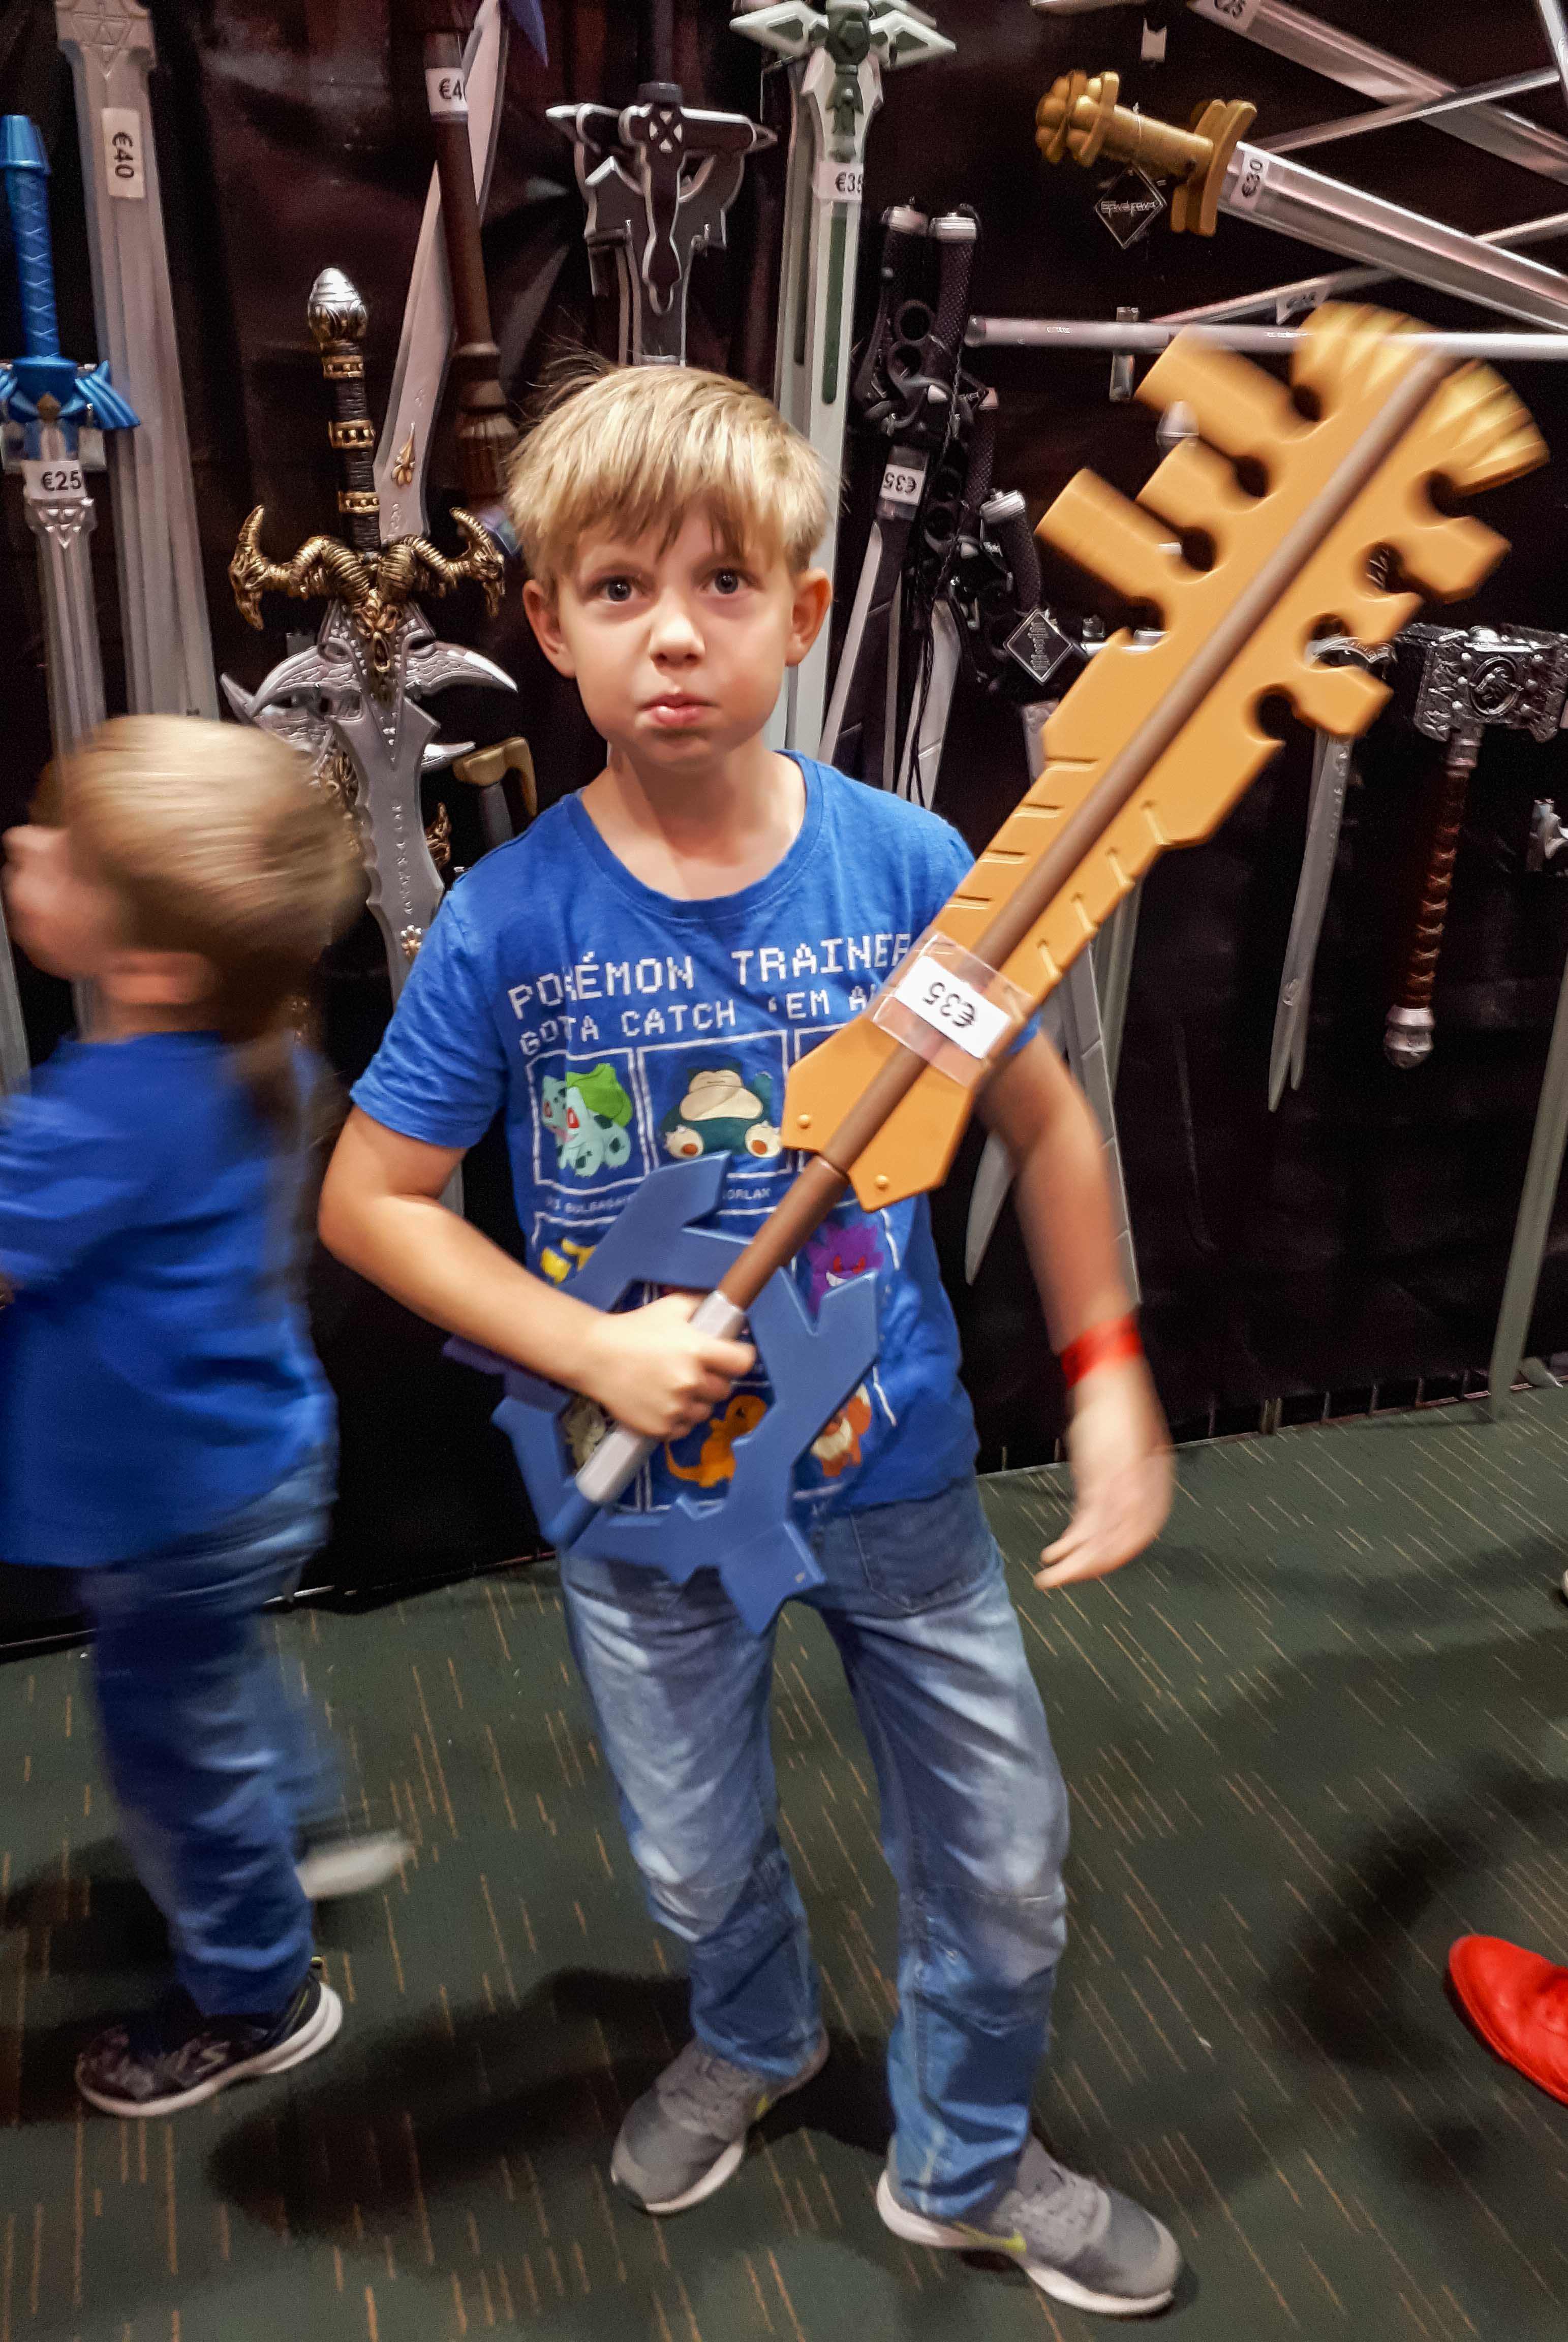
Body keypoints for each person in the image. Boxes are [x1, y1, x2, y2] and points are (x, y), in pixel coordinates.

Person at [320, 365, 1181, 2316]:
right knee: (697, 1863)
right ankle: (758, 2027)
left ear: (805, 611)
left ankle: (967, 2162)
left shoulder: (906, 872)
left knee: (1006, 1859)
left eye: (724, 584)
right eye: (618, 589)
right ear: (547, 625)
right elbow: (371, 1203)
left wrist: (1111, 1377)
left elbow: (1047, 1128)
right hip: (643, 1512)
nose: (675, 634)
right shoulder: (509, 924)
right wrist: (589, 1349)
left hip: (896, 1476)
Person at [0, 717, 404, 2120]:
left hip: (166, 1508)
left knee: (169, 1746)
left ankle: (254, 1994)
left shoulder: (107, 1110)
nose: (22, 846)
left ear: (159, 964)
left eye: (65, 853)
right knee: (215, 1675)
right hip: (256, 1470)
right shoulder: (255, 1051)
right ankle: (290, 1824)